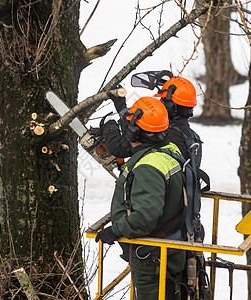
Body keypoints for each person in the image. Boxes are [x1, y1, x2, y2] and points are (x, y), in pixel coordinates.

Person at [95, 96, 186, 300]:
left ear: (134, 131)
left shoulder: (148, 167)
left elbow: (145, 217)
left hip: (151, 258)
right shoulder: (167, 150)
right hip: (167, 250)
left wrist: (115, 230)